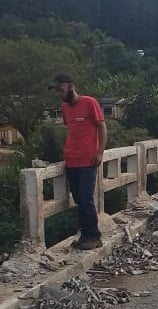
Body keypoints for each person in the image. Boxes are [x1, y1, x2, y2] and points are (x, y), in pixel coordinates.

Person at [49, 73, 108, 250]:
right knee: (78, 199)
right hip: (71, 161)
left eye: (61, 89)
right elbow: (73, 131)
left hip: (88, 160)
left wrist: (100, 152)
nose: (59, 94)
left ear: (70, 86)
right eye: (56, 91)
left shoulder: (89, 102)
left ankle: (94, 236)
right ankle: (84, 235)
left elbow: (102, 127)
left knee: (85, 199)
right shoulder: (65, 108)